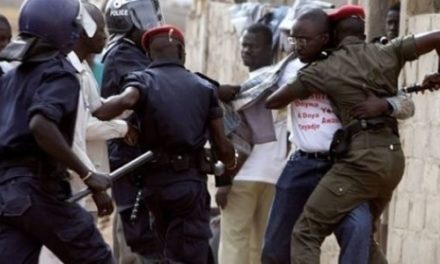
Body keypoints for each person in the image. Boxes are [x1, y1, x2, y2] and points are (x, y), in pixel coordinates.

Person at [266, 4, 440, 263]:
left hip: (355, 163)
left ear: (331, 37)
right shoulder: (386, 52)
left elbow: (273, 101)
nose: (299, 44)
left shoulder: (324, 68)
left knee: (307, 232)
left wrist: (385, 104)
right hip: (388, 161)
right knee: (362, 238)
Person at [94, 24, 236, 263]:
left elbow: (124, 100)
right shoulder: (203, 87)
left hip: (153, 187)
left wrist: (95, 112)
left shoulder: (141, 81)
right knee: (190, 252)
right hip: (189, 186)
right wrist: (230, 161)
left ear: (149, 55)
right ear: (182, 52)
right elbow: (221, 145)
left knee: (166, 250)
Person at [0, 0, 114, 263]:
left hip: (7, 195)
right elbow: (41, 125)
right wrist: (89, 176)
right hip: (38, 189)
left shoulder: (10, 78)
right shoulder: (60, 73)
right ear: (63, 28)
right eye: (76, 26)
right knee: (96, 256)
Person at [216, 23, 289, 264]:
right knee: (260, 246)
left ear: (270, 49)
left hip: (244, 175)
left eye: (253, 46)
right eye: (244, 45)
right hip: (273, 175)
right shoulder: (282, 84)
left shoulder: (253, 87)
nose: (246, 50)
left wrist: (225, 180)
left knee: (235, 242)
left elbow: (246, 137)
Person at [101, 0, 163, 261]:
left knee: (131, 230)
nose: (152, 26)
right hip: (131, 155)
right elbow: (150, 98)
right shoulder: (125, 54)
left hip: (128, 155)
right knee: (141, 236)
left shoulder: (122, 50)